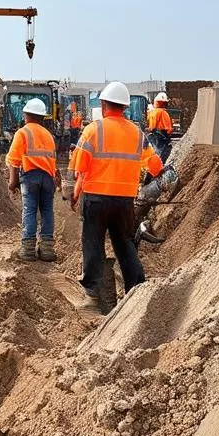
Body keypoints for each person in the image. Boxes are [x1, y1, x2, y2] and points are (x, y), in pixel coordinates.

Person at [70, 81, 164, 314]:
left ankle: (92, 297)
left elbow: (80, 169)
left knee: (93, 244)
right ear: (124, 107)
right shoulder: (137, 133)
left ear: (103, 105)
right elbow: (156, 166)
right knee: (124, 245)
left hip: (96, 198)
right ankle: (136, 291)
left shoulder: (93, 130)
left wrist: (76, 193)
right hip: (124, 201)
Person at [6, 98, 59, 261]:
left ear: (26, 115)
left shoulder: (23, 133)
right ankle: (47, 250)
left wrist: (12, 183)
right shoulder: (48, 135)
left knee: (29, 210)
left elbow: (14, 161)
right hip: (48, 178)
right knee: (47, 211)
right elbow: (53, 161)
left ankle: (28, 250)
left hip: (30, 177)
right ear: (42, 117)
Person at [146, 91, 174, 163]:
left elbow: (151, 126)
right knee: (163, 153)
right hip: (162, 135)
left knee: (155, 152)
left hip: (155, 134)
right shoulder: (163, 113)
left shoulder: (152, 112)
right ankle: (160, 165)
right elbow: (168, 128)